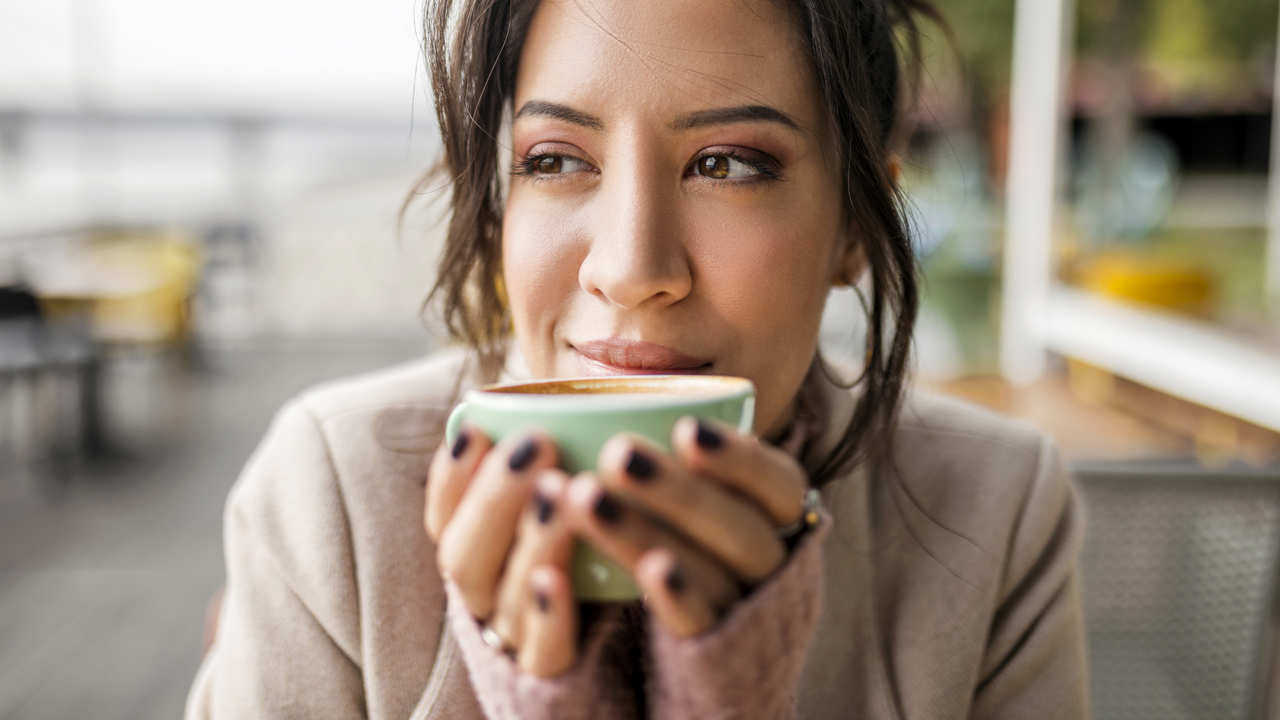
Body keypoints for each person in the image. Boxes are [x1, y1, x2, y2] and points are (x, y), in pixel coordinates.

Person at [184, 0, 1089, 717]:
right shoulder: (332, 500)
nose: (630, 268)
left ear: (856, 222)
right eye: (555, 160)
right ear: (500, 204)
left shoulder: (995, 513)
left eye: (728, 164)